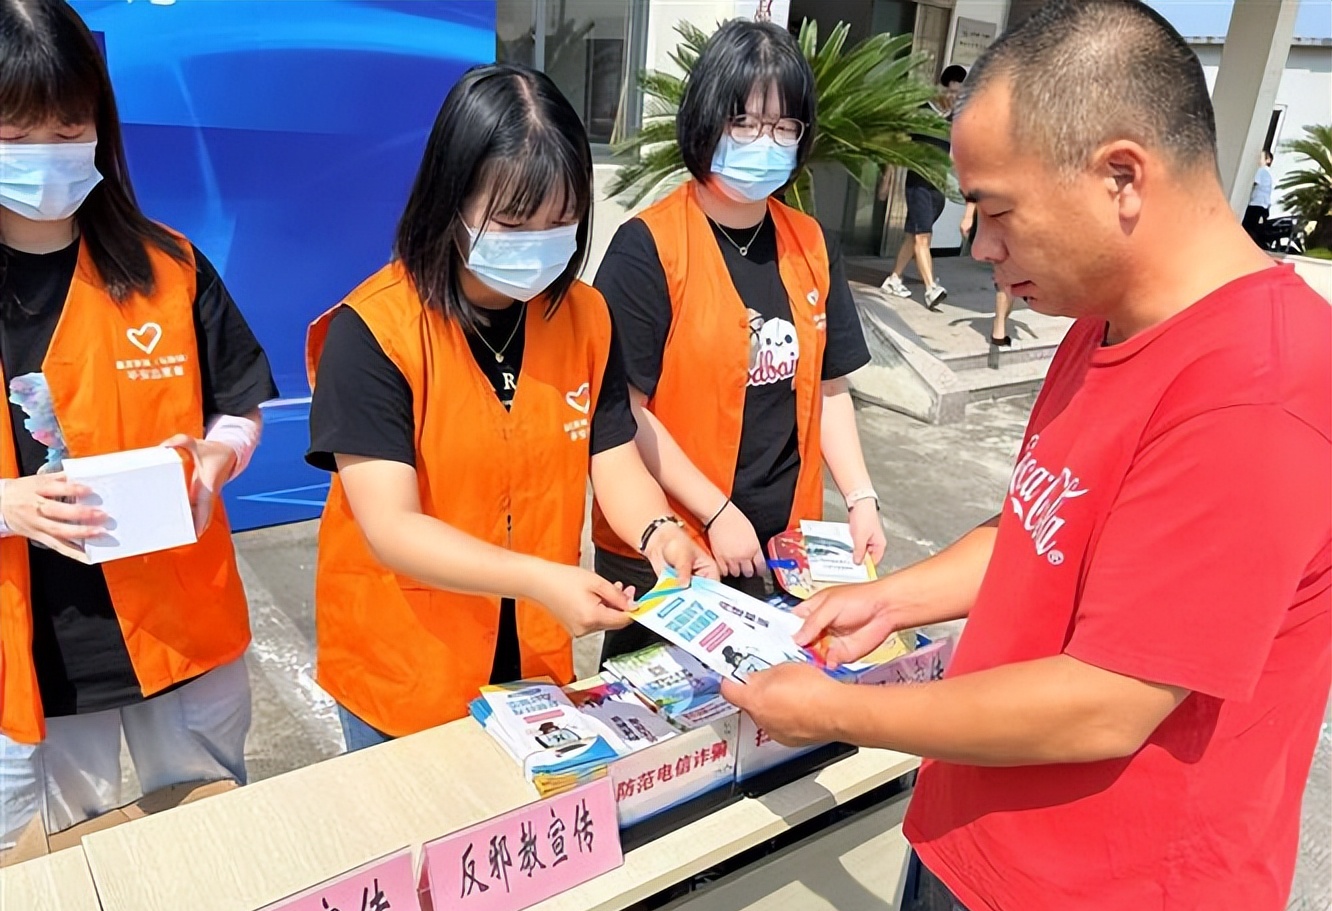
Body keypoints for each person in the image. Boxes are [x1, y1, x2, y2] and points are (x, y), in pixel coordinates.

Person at [722, 3, 1330, 911]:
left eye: (996, 208)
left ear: (1122, 177)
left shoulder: (1255, 391)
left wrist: (834, 712)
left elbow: (1109, 702)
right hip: (978, 846)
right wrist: (898, 598)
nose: (977, 242)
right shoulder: (1106, 321)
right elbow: (1042, 523)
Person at [305, 64, 716, 750]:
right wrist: (539, 579)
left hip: (531, 660)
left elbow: (612, 454)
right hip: (405, 667)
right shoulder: (375, 330)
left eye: (561, 221)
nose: (539, 242)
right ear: (451, 200)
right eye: (513, 221)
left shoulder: (584, 317)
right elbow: (391, 527)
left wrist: (659, 533)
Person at [0, 0, 277, 847]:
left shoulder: (169, 265)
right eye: (18, 130)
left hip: (181, 635)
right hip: (29, 659)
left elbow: (240, 404)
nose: (48, 152)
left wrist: (214, 460)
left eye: (68, 125)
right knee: (57, 895)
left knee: (205, 857)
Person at [591, 19, 884, 661]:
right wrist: (717, 511)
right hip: (675, 543)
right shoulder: (649, 248)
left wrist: (861, 497)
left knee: (773, 722)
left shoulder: (810, 241)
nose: (765, 143)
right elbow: (623, 414)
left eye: (784, 127)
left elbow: (830, 389)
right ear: (705, 122)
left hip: (783, 546)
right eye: (744, 123)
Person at [881, 63, 967, 310]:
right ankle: (931, 289)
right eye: (951, 93)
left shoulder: (951, 119)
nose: (954, 99)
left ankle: (894, 278)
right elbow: (897, 145)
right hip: (917, 184)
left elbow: (950, 154)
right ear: (941, 88)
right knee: (923, 236)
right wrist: (887, 179)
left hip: (938, 186)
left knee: (913, 234)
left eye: (959, 95)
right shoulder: (921, 112)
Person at [961, 198, 1014, 347]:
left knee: (1014, 275)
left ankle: (1000, 322)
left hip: (1021, 217)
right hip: (1000, 216)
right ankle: (999, 328)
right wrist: (968, 215)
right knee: (1005, 272)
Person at [1243, 147, 1274, 243]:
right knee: (1254, 227)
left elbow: (1254, 183)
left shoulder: (1261, 170)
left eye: (1260, 157)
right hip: (1263, 204)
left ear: (1267, 160)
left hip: (1256, 203)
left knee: (1247, 226)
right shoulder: (1269, 173)